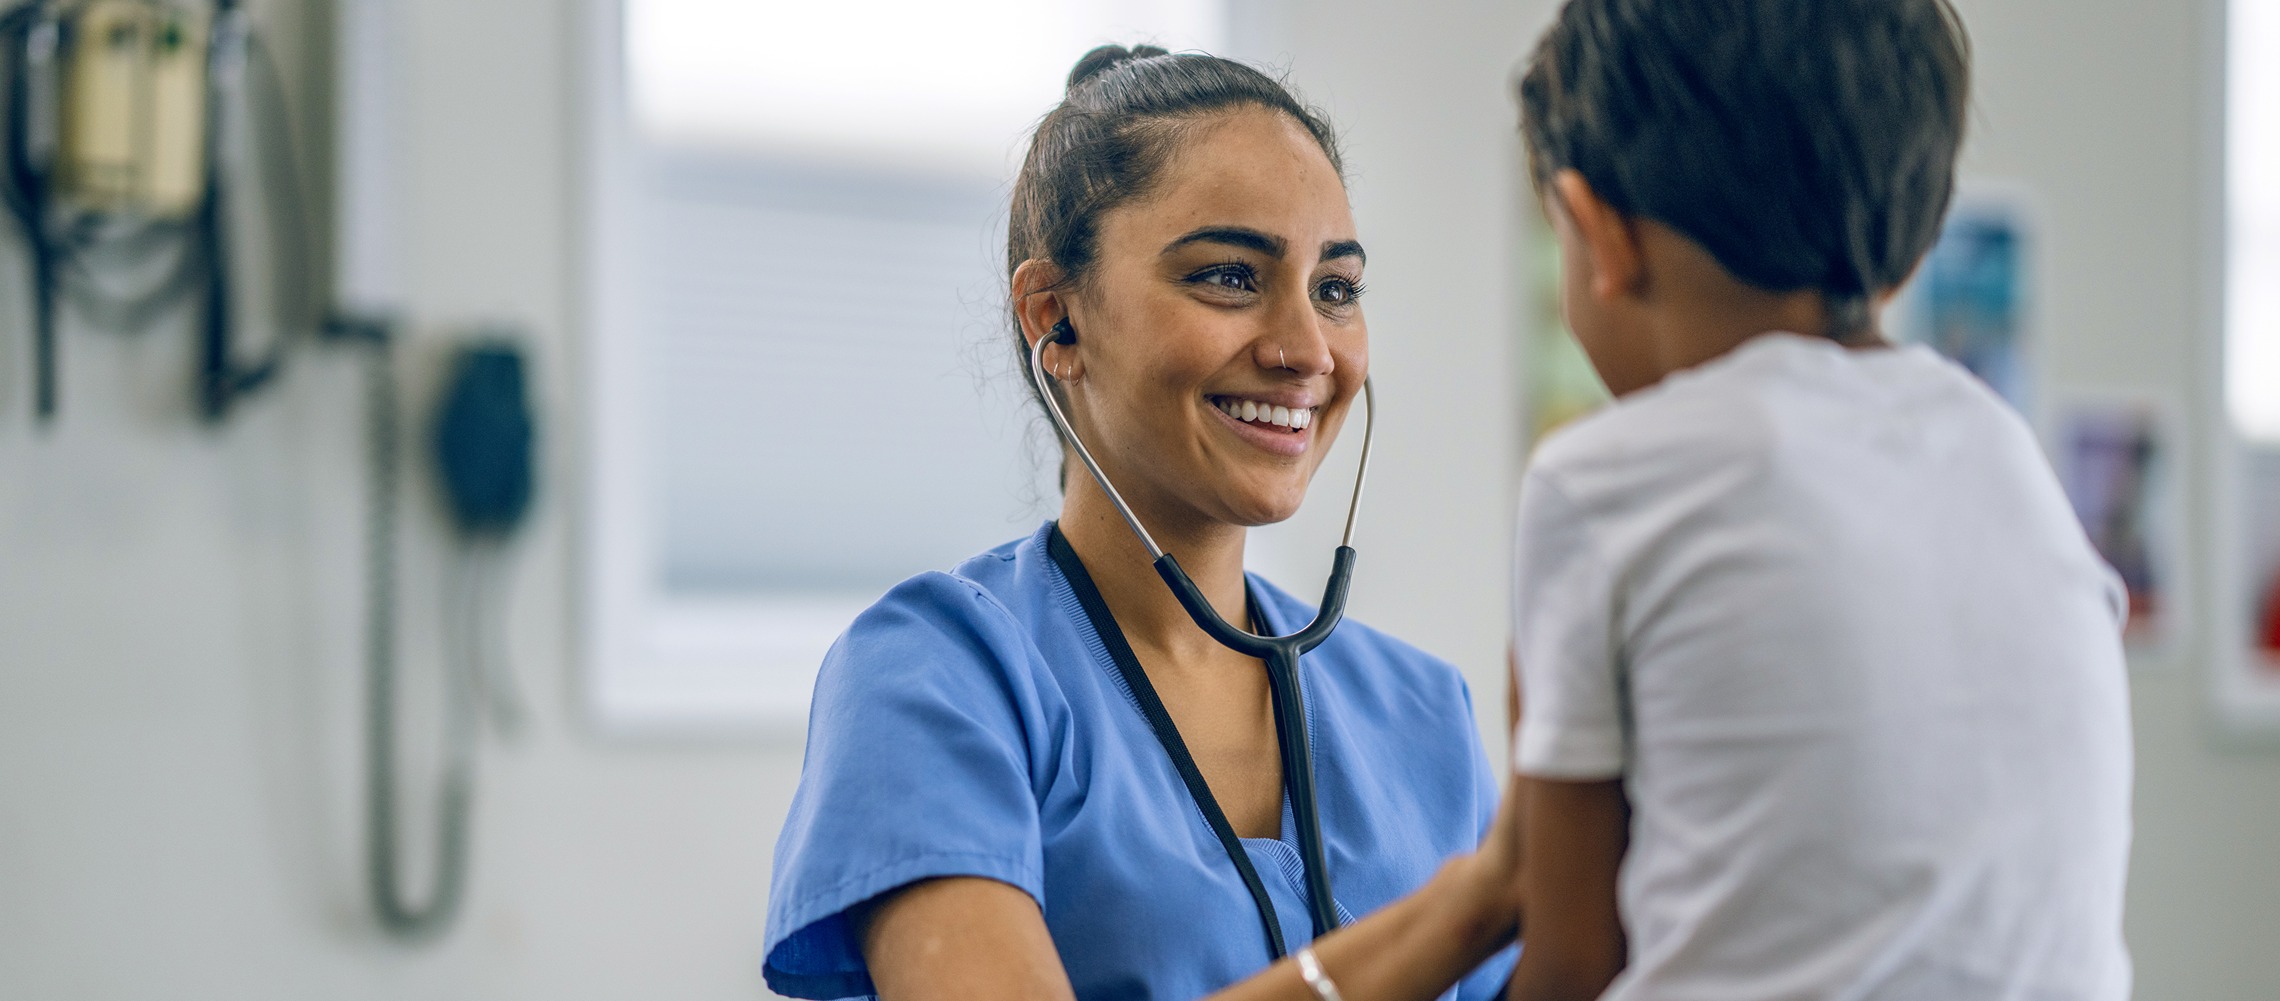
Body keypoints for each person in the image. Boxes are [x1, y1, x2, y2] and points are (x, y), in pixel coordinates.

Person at [763, 45, 1521, 1001]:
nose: (1304, 349)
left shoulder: (1421, 713)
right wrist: (1454, 915)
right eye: (1230, 276)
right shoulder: (936, 675)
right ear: (1057, 318)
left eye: (1335, 289)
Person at [1500, 1, 2134, 999]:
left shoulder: (1603, 479)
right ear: (1909, 235)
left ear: (1596, 234)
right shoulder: (2001, 453)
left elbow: (1571, 960)